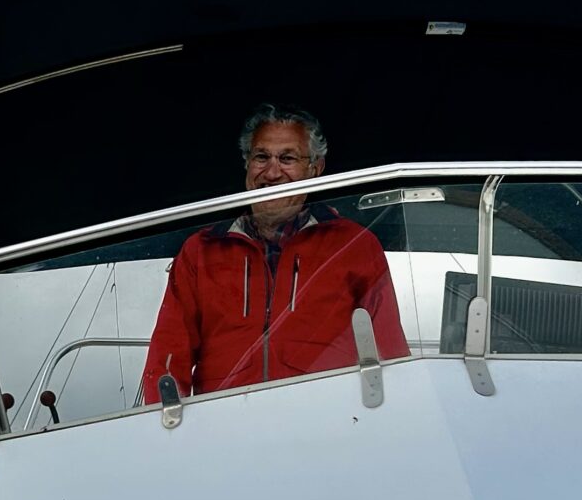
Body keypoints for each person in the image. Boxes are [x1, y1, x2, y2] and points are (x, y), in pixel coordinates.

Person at [141, 105, 409, 397]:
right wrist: (163, 420)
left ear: (315, 169)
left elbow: (390, 351)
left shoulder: (354, 245)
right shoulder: (201, 250)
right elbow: (168, 355)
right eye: (261, 157)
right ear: (247, 163)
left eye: (287, 158)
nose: (271, 172)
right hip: (225, 416)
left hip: (327, 413)